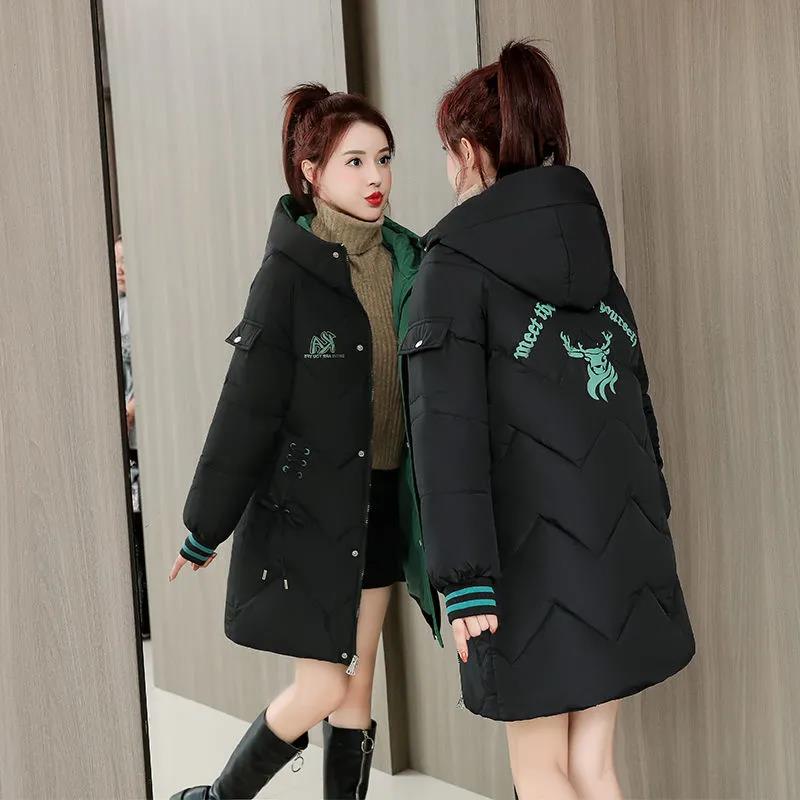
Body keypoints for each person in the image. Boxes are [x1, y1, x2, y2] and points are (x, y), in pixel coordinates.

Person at [399, 40, 696, 800]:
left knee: (542, 772)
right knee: (594, 767)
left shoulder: (449, 269)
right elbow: (634, 400)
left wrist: (464, 584)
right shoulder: (593, 259)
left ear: (469, 153)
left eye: (447, 152)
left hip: (520, 565)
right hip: (619, 544)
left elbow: (445, 437)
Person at [168, 83, 443, 800]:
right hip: (312, 513)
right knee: (323, 686)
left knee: (358, 680)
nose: (376, 176)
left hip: (383, 503)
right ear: (311, 171)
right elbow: (246, 408)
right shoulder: (289, 275)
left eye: (383, 158)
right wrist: (204, 526)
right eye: (354, 161)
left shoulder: (409, 262)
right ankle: (217, 799)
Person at [116, 234, 149, 639]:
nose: (121, 268)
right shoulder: (113, 308)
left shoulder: (141, 311)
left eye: (126, 260)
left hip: (144, 433)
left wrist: (134, 407)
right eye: (116, 261)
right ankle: (140, 617)